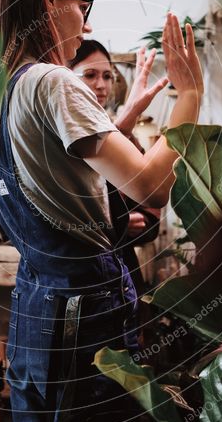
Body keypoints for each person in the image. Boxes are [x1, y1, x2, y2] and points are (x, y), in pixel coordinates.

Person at [0, 0, 203, 422]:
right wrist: (189, 96)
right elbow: (152, 187)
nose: (84, 25)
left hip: (37, 306)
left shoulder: (5, 91)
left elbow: (64, 178)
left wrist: (125, 117)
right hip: (81, 314)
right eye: (82, 6)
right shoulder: (53, 81)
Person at [69, 39, 162, 296]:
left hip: (122, 277)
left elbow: (151, 222)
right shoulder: (56, 140)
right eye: (90, 75)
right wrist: (118, 225)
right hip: (73, 282)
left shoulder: (122, 140)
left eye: (108, 76)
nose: (101, 85)